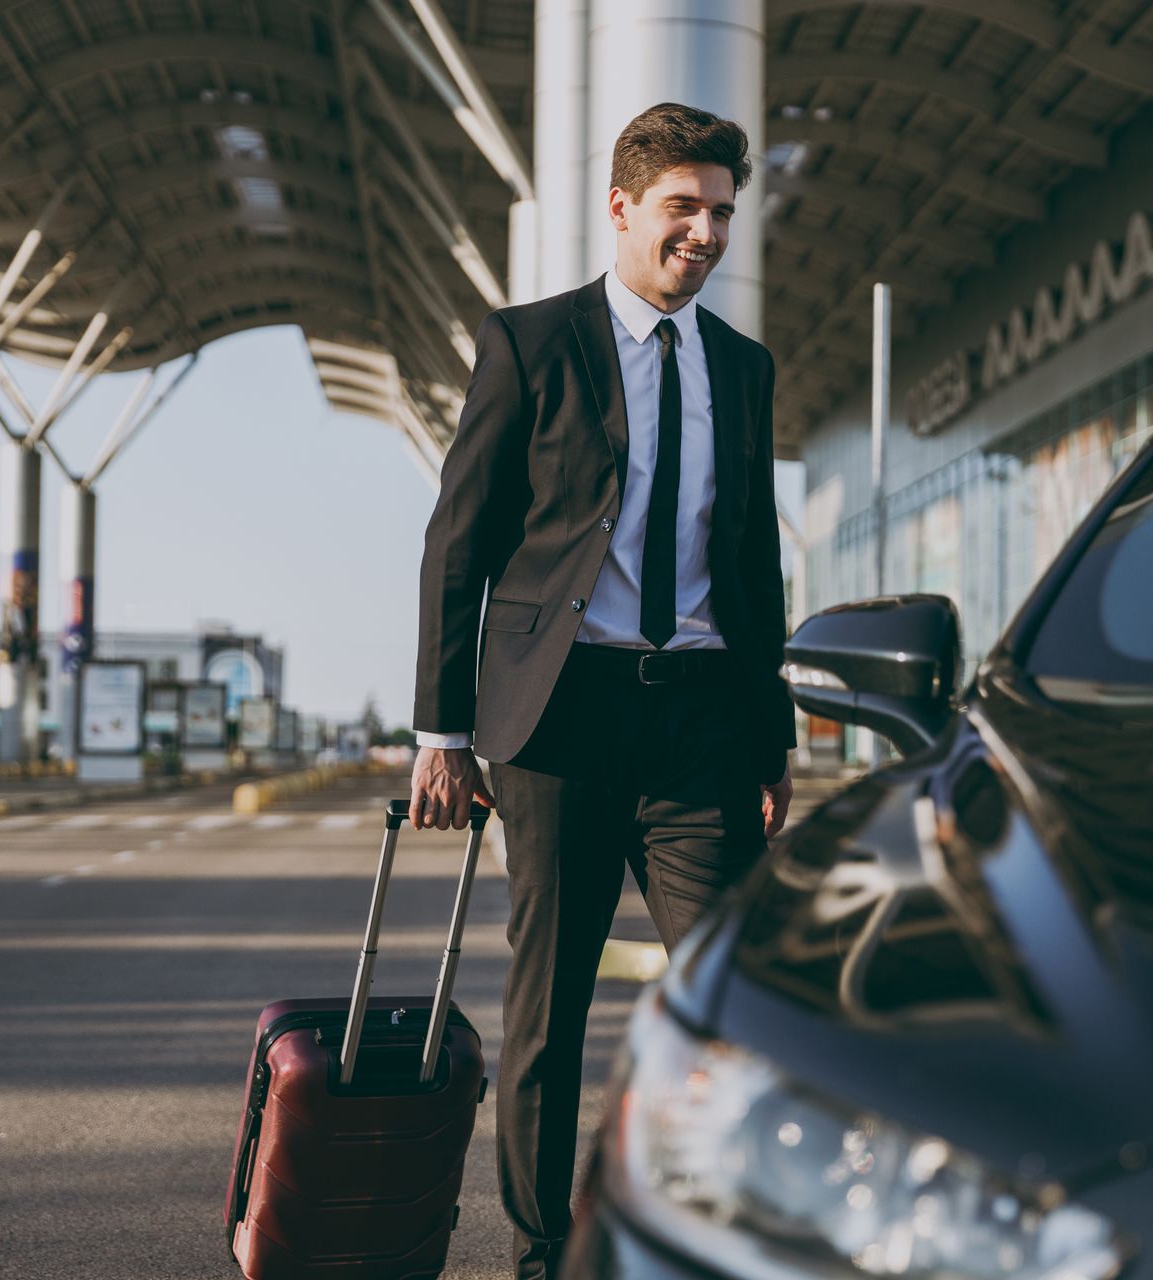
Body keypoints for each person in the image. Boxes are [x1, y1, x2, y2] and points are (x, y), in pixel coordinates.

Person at [406, 101, 795, 1280]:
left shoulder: (743, 365)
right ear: (623, 208)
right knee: (550, 1004)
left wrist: (771, 740)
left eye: (722, 212)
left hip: (698, 721)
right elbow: (457, 543)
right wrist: (442, 729)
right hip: (560, 716)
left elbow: (756, 560)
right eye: (684, 208)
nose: (706, 233)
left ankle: (698, 1226)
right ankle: (541, 1245)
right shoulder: (530, 344)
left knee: (726, 1005)